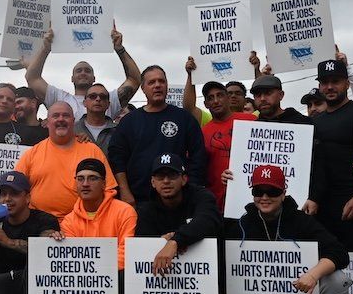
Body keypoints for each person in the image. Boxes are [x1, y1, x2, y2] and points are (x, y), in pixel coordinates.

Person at [230, 164, 352, 294]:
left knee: (337, 280)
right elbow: (226, 269)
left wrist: (313, 275)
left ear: (284, 193)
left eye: (273, 191)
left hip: (297, 291)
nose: (265, 197)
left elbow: (339, 253)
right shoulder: (242, 224)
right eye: (258, 191)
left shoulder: (301, 220)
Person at [108, 65, 206, 205]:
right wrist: (125, 191)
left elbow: (198, 156)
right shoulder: (128, 122)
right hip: (139, 200)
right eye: (151, 82)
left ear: (167, 85)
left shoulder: (183, 118)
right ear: (143, 88)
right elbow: (117, 159)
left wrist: (193, 189)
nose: (157, 85)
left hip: (178, 201)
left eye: (161, 81)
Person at [308, 59, 353, 252]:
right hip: (323, 210)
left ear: (347, 84)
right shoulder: (315, 122)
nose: (330, 87)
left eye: (336, 81)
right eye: (324, 82)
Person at [14, 102, 116, 220]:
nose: (61, 119)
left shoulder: (92, 150)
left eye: (66, 115)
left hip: (83, 223)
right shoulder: (32, 153)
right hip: (40, 225)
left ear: (73, 120)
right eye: (56, 116)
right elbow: (16, 189)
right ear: (47, 122)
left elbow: (109, 190)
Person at [24, 26, 141, 120]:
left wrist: (120, 49)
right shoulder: (59, 98)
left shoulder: (106, 100)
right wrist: (45, 49)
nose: (83, 73)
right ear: (72, 78)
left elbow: (134, 80)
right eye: (78, 71)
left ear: (94, 78)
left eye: (87, 71)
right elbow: (32, 78)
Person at [180, 70, 255, 213]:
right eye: (210, 98)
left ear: (227, 98)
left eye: (220, 95)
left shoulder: (251, 120)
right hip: (217, 203)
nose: (215, 101)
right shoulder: (202, 133)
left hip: (252, 198)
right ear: (206, 104)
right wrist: (191, 75)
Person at [134, 154, 221, 274]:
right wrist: (160, 242)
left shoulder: (202, 196)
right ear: (153, 182)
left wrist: (175, 241)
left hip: (205, 275)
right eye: (160, 177)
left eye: (172, 175)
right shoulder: (146, 209)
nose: (166, 181)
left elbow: (207, 221)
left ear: (184, 179)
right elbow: (142, 245)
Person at [60, 159, 137, 270]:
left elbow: (127, 252)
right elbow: (73, 260)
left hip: (118, 276)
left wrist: (97, 269)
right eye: (80, 179)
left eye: (92, 178)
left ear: (104, 184)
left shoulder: (125, 211)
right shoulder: (69, 221)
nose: (85, 184)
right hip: (85, 281)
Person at [73, 83, 117, 156]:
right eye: (92, 96)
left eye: (103, 97)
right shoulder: (72, 130)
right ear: (84, 103)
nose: (98, 99)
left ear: (108, 104)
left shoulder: (118, 130)